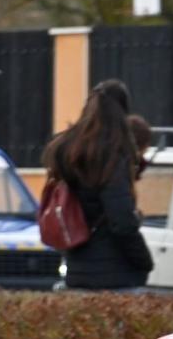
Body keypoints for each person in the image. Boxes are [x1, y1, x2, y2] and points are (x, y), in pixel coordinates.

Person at [42, 79, 153, 290]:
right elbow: (122, 221)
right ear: (122, 114)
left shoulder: (69, 155)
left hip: (76, 267)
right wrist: (144, 260)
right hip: (116, 276)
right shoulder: (111, 158)